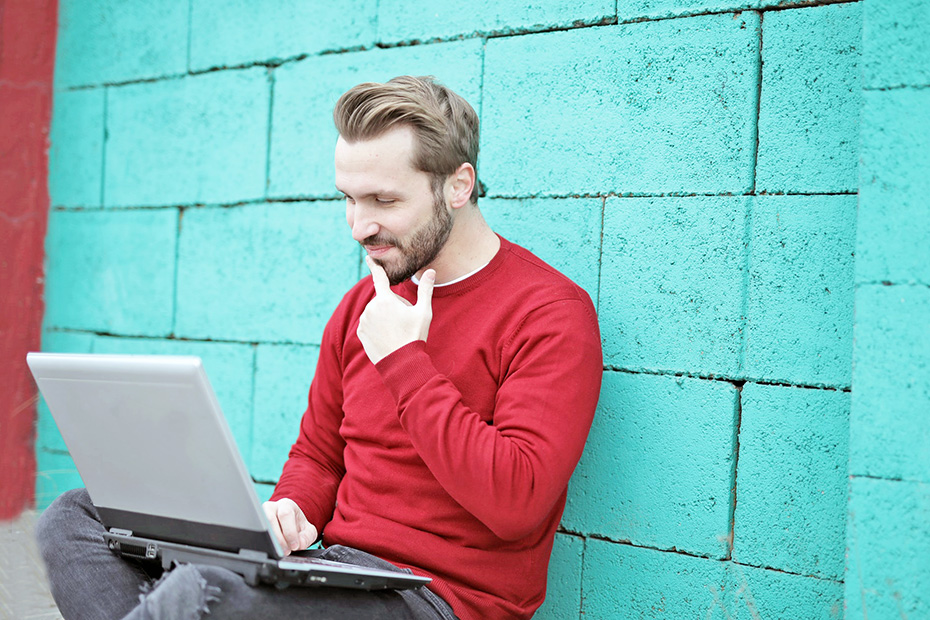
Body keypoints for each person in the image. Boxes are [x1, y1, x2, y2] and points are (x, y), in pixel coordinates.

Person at [37, 76, 603, 620]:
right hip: (331, 569)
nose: (360, 226)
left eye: (383, 200)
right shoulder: (362, 304)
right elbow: (318, 455)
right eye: (349, 199)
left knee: (202, 593)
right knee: (77, 517)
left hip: (435, 599)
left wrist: (405, 362)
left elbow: (516, 504)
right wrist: (293, 511)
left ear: (459, 185)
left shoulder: (549, 313)